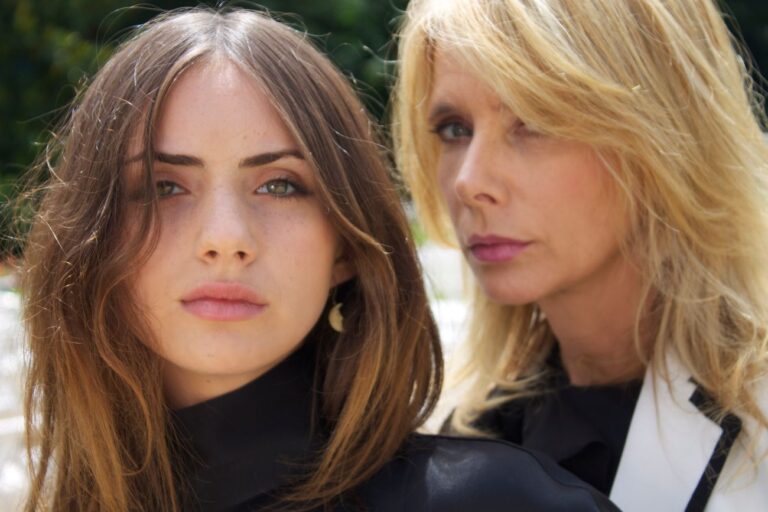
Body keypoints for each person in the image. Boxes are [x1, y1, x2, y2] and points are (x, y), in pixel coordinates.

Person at [18, 7, 619, 512]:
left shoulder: (500, 501)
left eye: (280, 185)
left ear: (347, 246)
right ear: (91, 239)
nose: (225, 238)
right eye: (163, 187)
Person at [393, 0, 768, 511]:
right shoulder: (441, 433)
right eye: (455, 129)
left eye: (533, 120)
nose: (468, 181)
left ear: (662, 132)